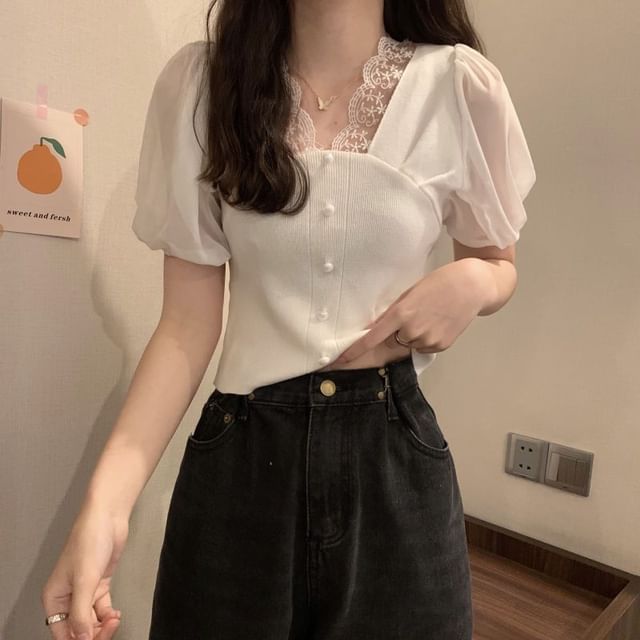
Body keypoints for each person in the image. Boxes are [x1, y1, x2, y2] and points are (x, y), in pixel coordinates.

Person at [41, 0, 536, 638]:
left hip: (393, 461)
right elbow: (186, 326)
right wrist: (104, 506)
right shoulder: (204, 88)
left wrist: (474, 281)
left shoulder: (458, 86)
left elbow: (497, 263)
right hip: (242, 461)